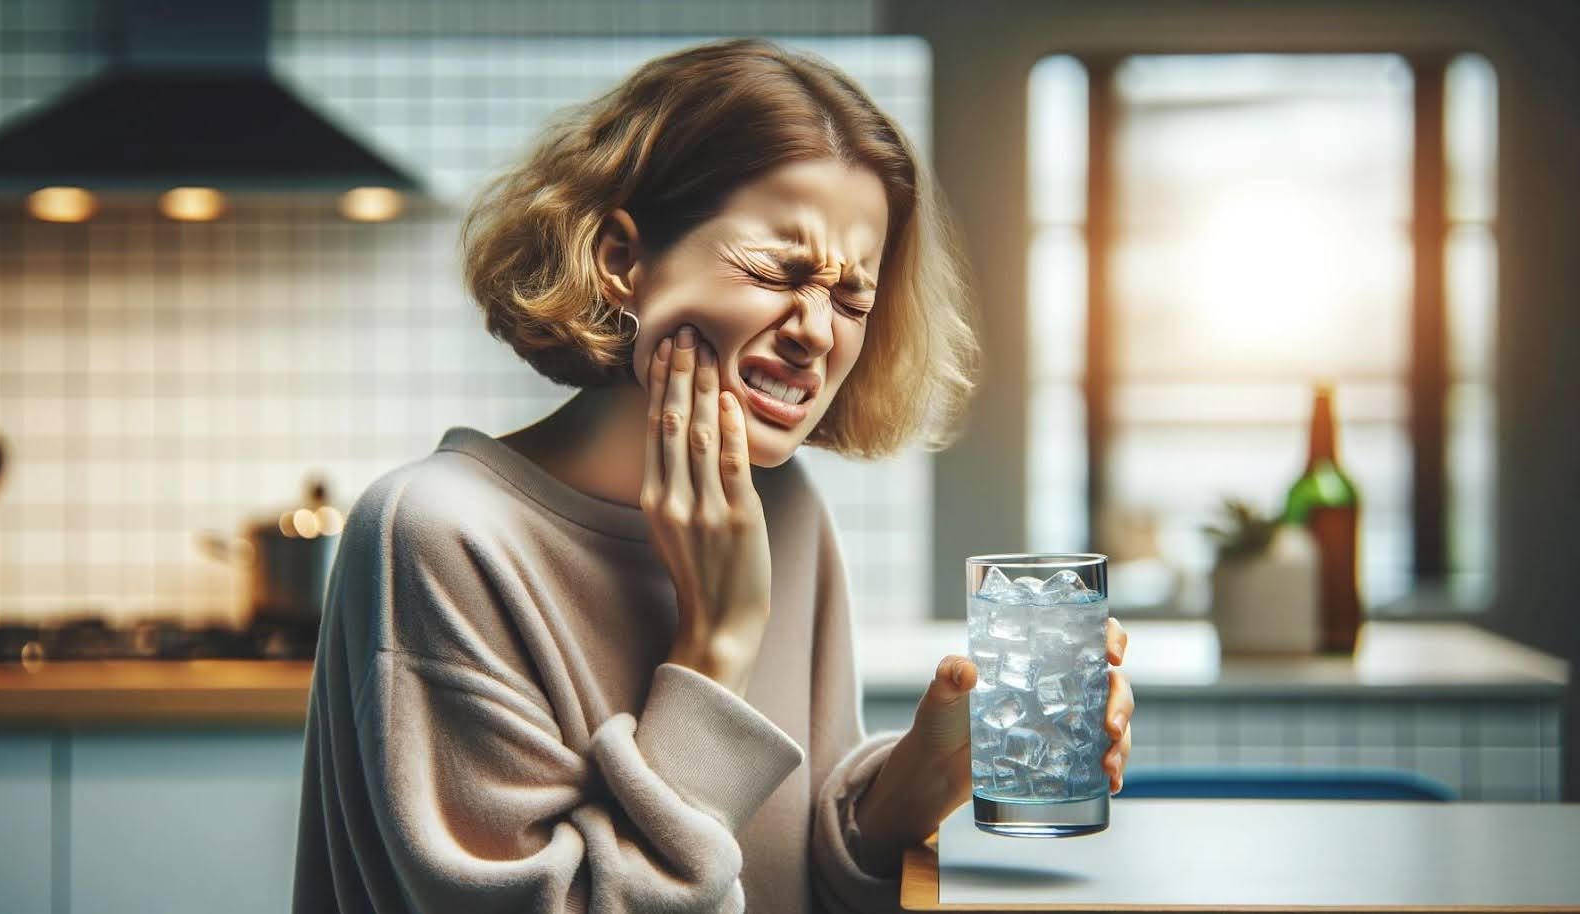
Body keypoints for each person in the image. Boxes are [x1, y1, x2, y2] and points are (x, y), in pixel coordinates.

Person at [292, 36, 1135, 914]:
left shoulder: (788, 509)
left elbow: (784, 868)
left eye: (853, 298)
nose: (818, 330)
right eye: (781, 269)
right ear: (623, 261)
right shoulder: (435, 532)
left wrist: (911, 785)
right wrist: (715, 640)